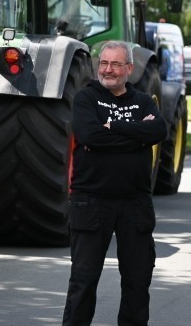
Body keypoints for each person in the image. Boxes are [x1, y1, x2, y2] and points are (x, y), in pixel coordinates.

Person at [62, 41, 168, 326]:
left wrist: (114, 126)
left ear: (129, 69)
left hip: (135, 203)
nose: (107, 69)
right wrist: (137, 136)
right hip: (91, 201)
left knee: (138, 280)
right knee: (83, 282)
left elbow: (159, 130)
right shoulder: (86, 98)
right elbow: (90, 136)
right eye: (104, 63)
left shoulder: (144, 100)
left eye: (115, 64)